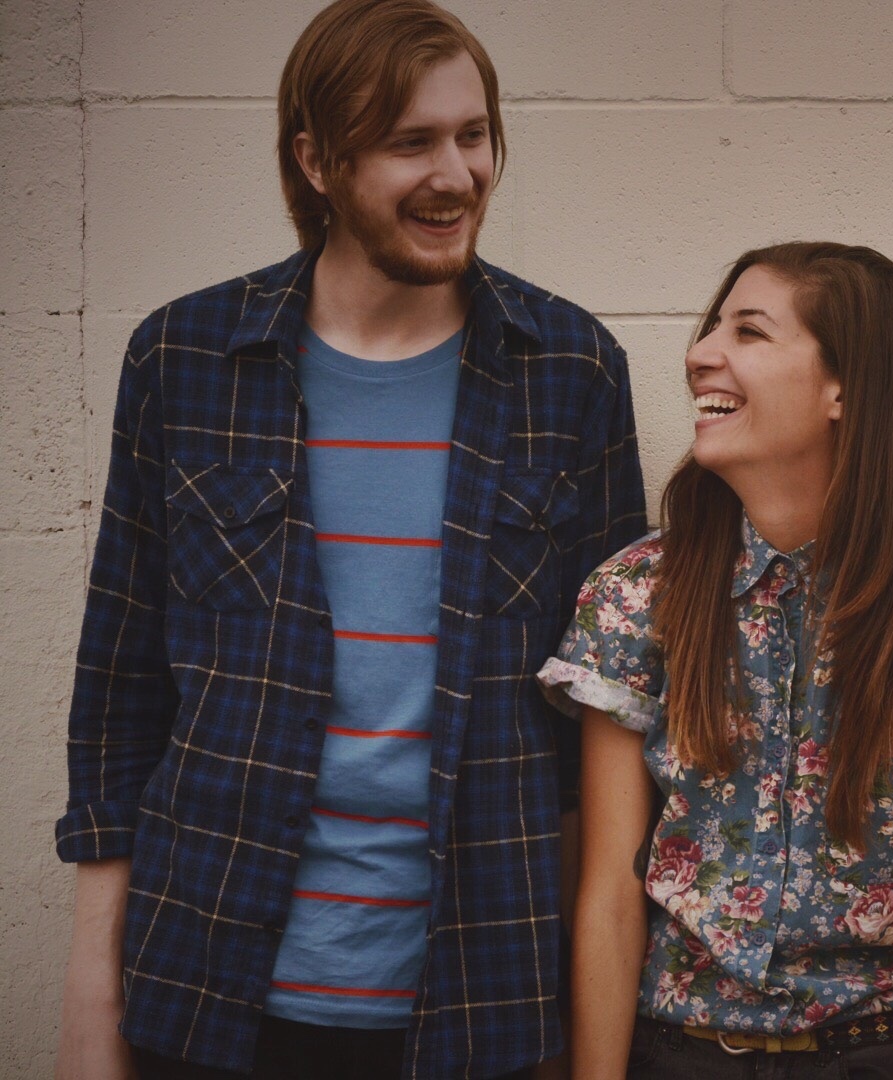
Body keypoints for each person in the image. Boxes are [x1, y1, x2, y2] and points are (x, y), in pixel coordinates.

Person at [53, 1, 645, 1076]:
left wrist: (583, 1018)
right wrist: (93, 1003)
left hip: (484, 997)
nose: (457, 175)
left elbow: (602, 733)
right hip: (208, 987)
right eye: (411, 142)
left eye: (474, 134)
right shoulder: (184, 360)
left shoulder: (571, 371)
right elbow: (121, 694)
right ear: (317, 161)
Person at [539, 242, 893, 1078]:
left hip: (891, 1047)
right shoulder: (638, 594)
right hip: (682, 1053)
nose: (700, 354)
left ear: (844, 389)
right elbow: (608, 891)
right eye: (713, 327)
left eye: (748, 332)